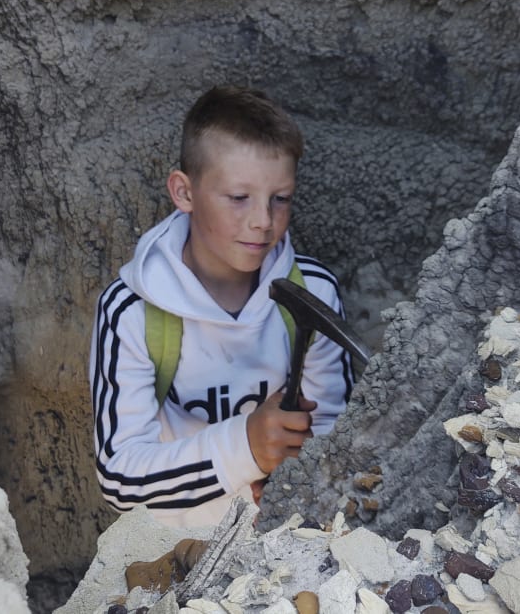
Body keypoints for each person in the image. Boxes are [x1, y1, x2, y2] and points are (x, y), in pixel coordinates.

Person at [90, 85, 354, 527]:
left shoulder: (314, 294)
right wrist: (246, 448)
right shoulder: (132, 312)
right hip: (173, 562)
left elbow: (335, 431)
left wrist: (298, 473)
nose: (263, 221)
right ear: (184, 192)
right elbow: (119, 479)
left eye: (280, 198)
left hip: (288, 550)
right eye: (238, 197)